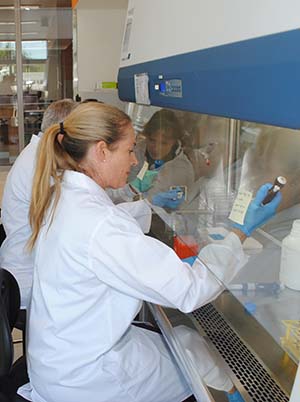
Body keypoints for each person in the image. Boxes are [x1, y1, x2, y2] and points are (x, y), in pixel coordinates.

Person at [18, 102, 281, 402]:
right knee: (197, 355)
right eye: (129, 150)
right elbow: (190, 290)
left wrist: (150, 204)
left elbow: (104, 230)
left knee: (184, 341)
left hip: (56, 359)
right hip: (85, 379)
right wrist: (239, 232)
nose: (133, 160)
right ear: (102, 151)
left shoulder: (63, 194)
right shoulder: (101, 225)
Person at [0, 99, 77, 309]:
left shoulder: (39, 154)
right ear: (63, 136)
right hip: (27, 283)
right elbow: (66, 222)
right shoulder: (38, 163)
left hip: (22, 270)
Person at [108, 109, 195, 209]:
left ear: (174, 142)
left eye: (164, 143)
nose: (156, 147)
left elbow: (153, 207)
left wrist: (144, 198)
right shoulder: (137, 150)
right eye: (152, 140)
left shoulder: (181, 169)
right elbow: (117, 189)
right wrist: (132, 189)